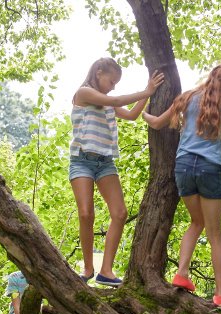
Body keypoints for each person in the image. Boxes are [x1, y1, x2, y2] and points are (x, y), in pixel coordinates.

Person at [142, 63, 221, 307]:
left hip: (184, 167)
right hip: (210, 169)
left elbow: (156, 122)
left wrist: (144, 113)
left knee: (196, 222)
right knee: (215, 232)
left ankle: (182, 274)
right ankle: (219, 294)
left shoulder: (187, 98)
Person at [70, 57, 164, 286]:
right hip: (82, 160)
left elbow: (131, 115)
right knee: (85, 214)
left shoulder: (108, 103)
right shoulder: (84, 93)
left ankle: (106, 271)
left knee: (120, 213)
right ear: (99, 72)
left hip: (105, 162)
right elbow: (117, 99)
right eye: (112, 81)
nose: (113, 86)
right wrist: (146, 90)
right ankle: (88, 268)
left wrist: (150, 94)